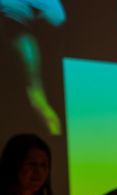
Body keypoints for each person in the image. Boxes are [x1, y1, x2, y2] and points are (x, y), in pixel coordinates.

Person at [0, 0, 66, 135]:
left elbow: (58, 16)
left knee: (37, 98)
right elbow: (58, 16)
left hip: (21, 35)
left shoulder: (25, 44)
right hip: (19, 35)